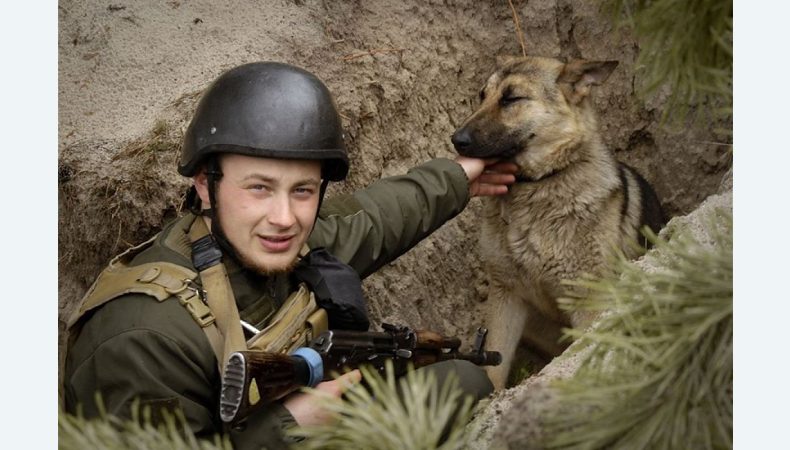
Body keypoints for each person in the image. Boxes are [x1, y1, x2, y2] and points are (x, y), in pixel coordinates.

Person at [63, 61, 516, 449]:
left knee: (461, 381)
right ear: (205, 183)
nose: (284, 218)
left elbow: (372, 219)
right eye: (259, 188)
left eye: (302, 190)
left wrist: (457, 177)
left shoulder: (266, 245)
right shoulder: (142, 341)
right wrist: (289, 428)